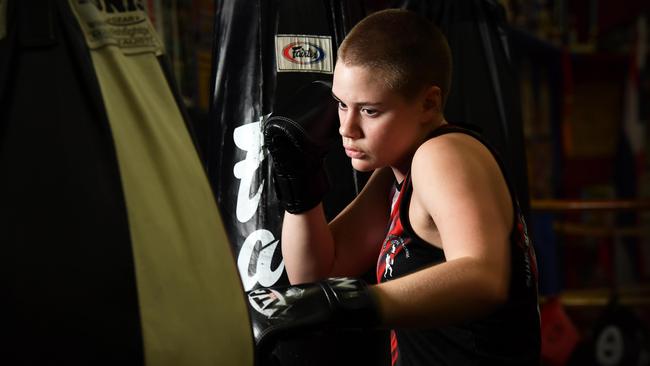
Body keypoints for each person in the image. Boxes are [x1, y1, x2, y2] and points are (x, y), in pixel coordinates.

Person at [256, 8, 540, 365]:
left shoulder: (442, 155)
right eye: (342, 105)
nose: (347, 128)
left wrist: (358, 301)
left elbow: (484, 277)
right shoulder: (395, 175)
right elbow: (315, 274)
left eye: (370, 111)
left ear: (428, 103)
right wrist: (299, 186)